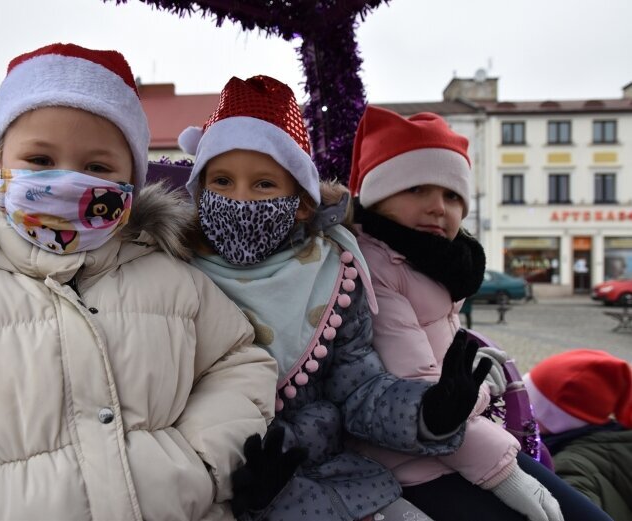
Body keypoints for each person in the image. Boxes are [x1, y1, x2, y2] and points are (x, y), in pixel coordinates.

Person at [0, 43, 279, 521]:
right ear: (1, 163)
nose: (66, 182)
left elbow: (236, 363)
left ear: (132, 180)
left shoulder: (174, 282)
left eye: (97, 168)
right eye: (41, 160)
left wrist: (206, 464)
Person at [179, 75, 493, 521]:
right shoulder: (175, 276)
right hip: (227, 492)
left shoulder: (332, 274)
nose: (240, 200)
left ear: (302, 202)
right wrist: (238, 482)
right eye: (222, 181)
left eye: (264, 185)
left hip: (337, 475)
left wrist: (429, 411)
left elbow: (359, 389)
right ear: (199, 190)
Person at [348, 105, 614, 521]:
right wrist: (503, 472)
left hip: (459, 446)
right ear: (378, 199)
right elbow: (420, 396)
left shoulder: (432, 265)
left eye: (452, 195)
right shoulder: (377, 267)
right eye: (417, 189)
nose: (438, 207)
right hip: (410, 465)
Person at [524, 349, 632, 521]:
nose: (522, 413)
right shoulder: (619, 436)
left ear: (556, 420)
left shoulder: (569, 466)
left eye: (529, 406)